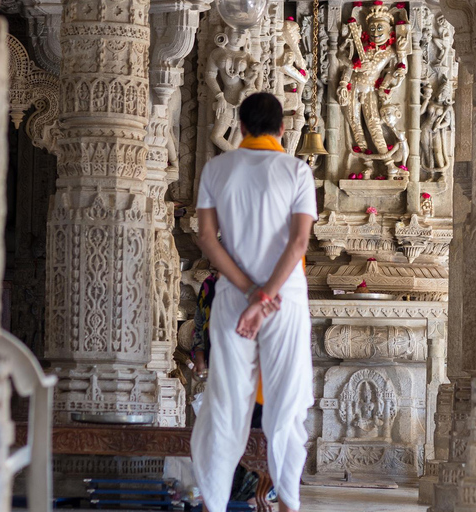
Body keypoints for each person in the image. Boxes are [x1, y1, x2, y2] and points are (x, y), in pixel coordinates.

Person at [191, 92, 316, 512]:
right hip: (286, 300)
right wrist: (267, 297)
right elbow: (299, 242)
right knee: (286, 406)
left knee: (225, 403)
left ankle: (212, 502)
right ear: (282, 129)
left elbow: (208, 239)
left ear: (240, 126)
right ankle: (288, 505)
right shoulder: (296, 171)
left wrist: (250, 293)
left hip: (233, 299)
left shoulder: (216, 168)